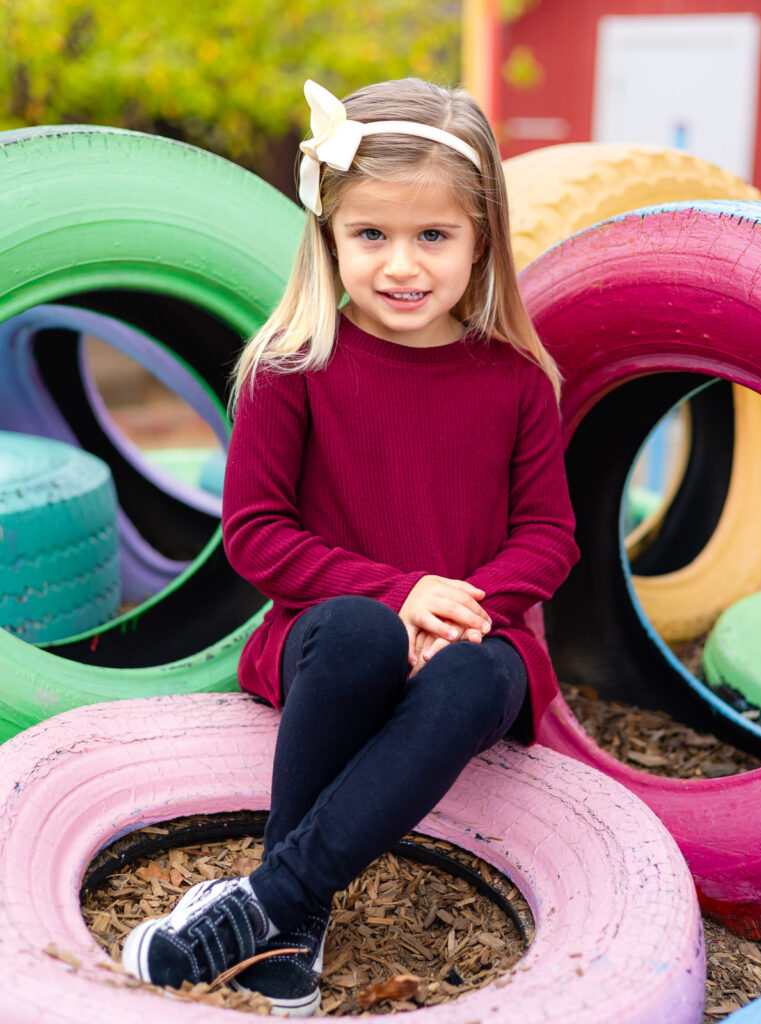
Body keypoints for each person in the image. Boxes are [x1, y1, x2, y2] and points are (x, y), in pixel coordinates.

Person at [121, 76, 579, 1016]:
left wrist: (462, 609)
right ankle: (290, 916)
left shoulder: (517, 380)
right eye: (371, 235)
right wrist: (399, 593)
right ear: (328, 234)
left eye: (433, 236)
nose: (402, 265)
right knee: (363, 636)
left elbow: (548, 534)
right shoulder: (291, 368)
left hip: (474, 640)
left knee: (476, 677)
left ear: (480, 237)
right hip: (329, 636)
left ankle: (274, 908)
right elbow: (256, 535)